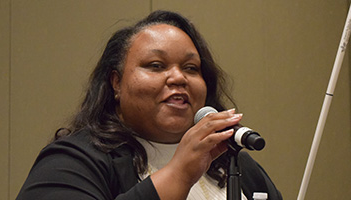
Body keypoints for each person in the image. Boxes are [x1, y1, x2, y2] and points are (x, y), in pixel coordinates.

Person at [16, 10, 282, 200]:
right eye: (156, 66)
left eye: (191, 68)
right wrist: (179, 173)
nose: (178, 77)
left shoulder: (237, 164)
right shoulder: (73, 161)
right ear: (116, 83)